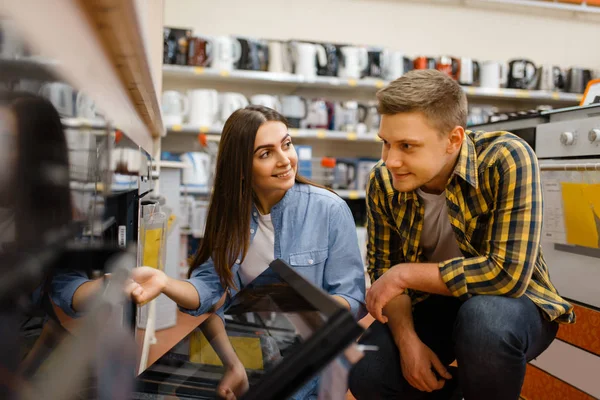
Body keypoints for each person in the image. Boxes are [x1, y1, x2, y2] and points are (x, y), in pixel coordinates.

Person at [348, 70, 574, 400]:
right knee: (366, 372)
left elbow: (506, 275)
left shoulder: (506, 158)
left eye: (407, 146)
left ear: (453, 139)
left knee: (484, 322)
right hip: (434, 304)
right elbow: (385, 274)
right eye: (386, 143)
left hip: (511, 306)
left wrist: (404, 273)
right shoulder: (382, 182)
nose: (390, 160)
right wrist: (409, 343)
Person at [129, 105, 367, 399]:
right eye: (266, 154)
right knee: (148, 392)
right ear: (241, 169)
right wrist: (165, 283)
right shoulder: (231, 215)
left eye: (286, 145)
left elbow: (353, 300)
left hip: (310, 356)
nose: (285, 161)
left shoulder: (329, 209)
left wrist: (293, 308)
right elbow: (208, 290)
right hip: (250, 346)